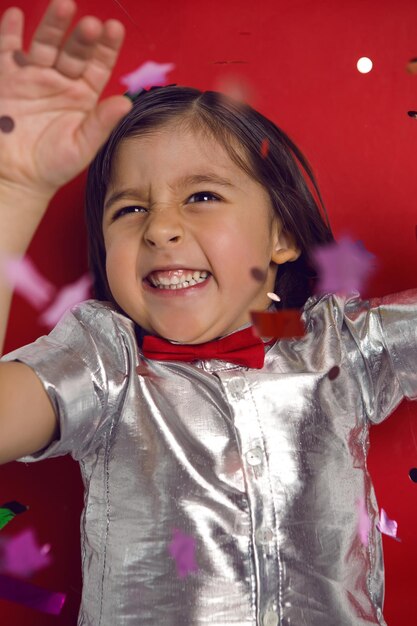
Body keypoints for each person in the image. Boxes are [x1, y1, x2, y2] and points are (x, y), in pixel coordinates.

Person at [0, 1, 416, 625]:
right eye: (130, 209)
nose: (163, 228)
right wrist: (15, 190)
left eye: (202, 196)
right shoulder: (104, 362)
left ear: (280, 235)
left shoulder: (341, 346)